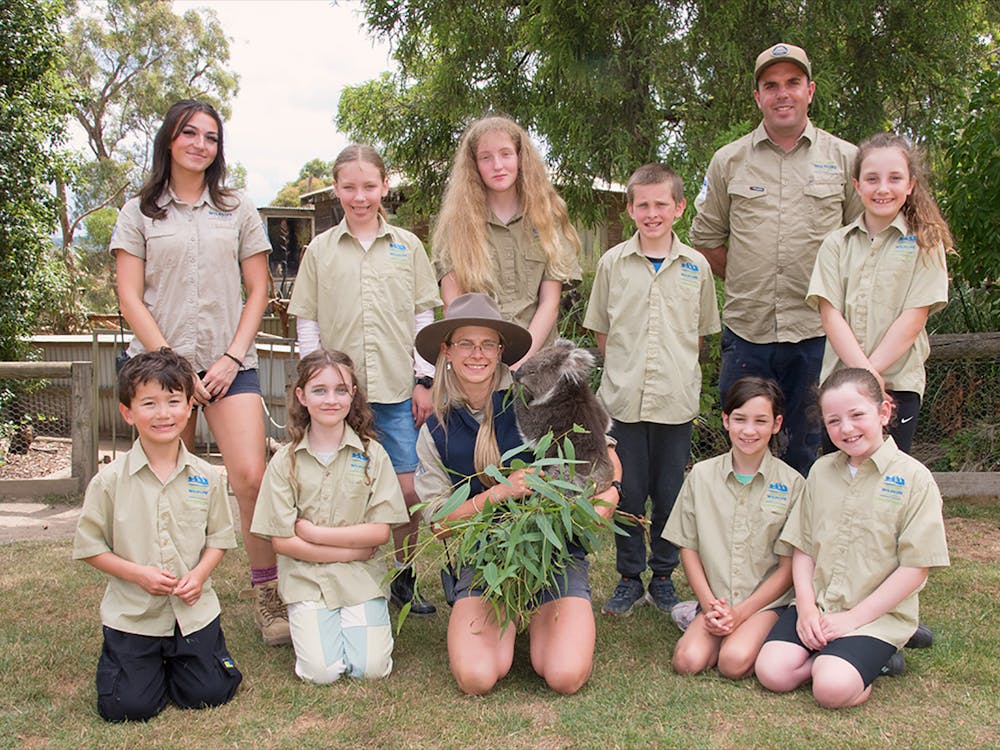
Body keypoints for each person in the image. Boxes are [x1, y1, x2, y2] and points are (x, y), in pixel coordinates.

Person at [112, 99, 288, 645]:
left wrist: (232, 356)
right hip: (161, 374)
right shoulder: (139, 211)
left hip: (229, 364)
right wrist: (173, 366)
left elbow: (258, 289)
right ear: (169, 140)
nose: (200, 144)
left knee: (252, 479)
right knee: (168, 485)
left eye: (210, 137)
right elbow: (128, 294)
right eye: (189, 133)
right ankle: (170, 595)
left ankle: (268, 593)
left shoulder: (236, 209)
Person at [412, 293, 622, 695]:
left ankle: (544, 613)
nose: (477, 354)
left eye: (487, 344)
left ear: (501, 350)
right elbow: (439, 524)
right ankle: (499, 613)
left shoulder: (539, 393)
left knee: (564, 675)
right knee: (477, 677)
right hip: (485, 558)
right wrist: (501, 493)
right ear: (447, 350)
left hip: (553, 550)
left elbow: (605, 452)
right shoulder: (435, 431)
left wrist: (609, 493)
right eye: (466, 344)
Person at [690, 43, 863, 475]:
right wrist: (751, 277)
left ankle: (800, 541)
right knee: (746, 446)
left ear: (810, 90)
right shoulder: (728, 161)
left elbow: (862, 244)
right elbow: (707, 239)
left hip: (816, 334)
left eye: (792, 83)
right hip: (748, 333)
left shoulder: (845, 159)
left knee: (810, 449)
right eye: (771, 86)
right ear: (758, 97)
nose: (782, 93)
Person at [288, 144, 442, 615]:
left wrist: (426, 379)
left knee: (407, 489)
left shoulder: (407, 247)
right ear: (336, 188)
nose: (360, 197)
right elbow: (308, 321)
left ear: (384, 187)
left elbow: (423, 315)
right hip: (340, 396)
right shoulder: (320, 250)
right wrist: (317, 384)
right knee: (343, 486)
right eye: (349, 187)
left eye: (369, 186)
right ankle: (346, 571)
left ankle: (403, 575)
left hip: (398, 390)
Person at [754, 368, 949, 708]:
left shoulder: (915, 479)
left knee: (830, 689)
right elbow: (802, 545)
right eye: (833, 421)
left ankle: (872, 659)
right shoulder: (821, 471)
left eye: (857, 415)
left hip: (873, 616)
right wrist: (807, 610)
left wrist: (851, 620)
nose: (846, 428)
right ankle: (843, 658)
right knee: (772, 673)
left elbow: (916, 568)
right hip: (819, 605)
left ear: (884, 412)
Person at [73, 349, 242, 722]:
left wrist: (198, 577)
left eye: (173, 401)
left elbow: (219, 539)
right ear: (128, 413)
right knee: (126, 707)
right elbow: (89, 547)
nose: (163, 414)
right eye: (149, 403)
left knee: (210, 694)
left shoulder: (208, 476)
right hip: (135, 615)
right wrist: (138, 575)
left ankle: (180, 663)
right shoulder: (109, 482)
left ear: (188, 408)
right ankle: (137, 665)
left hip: (193, 613)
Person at [584, 163, 721, 616]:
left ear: (679, 209)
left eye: (662, 203)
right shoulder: (612, 264)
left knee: (669, 494)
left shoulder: (696, 267)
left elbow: (698, 335)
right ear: (629, 209)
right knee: (626, 491)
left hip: (674, 403)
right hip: (623, 402)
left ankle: (663, 576)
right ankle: (628, 577)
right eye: (642, 204)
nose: (652, 212)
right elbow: (603, 333)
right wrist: (628, 370)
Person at [250, 350, 410, 684]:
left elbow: (380, 532)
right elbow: (282, 541)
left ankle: (341, 626)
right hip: (307, 578)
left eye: (340, 390)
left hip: (361, 577)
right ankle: (311, 623)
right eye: (319, 390)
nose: (331, 400)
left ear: (353, 395)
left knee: (371, 669)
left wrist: (312, 533)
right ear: (301, 396)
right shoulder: (285, 461)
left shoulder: (371, 455)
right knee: (320, 673)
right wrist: (351, 548)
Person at [807, 132, 952, 452]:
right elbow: (830, 315)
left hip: (897, 386)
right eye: (872, 179)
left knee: (887, 481)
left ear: (910, 184)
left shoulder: (925, 242)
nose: (883, 188)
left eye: (894, 178)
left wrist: (872, 381)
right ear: (857, 185)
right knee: (841, 477)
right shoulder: (836, 245)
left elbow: (914, 317)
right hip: (840, 386)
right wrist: (864, 380)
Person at [663, 377, 802, 678]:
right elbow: (688, 547)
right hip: (715, 600)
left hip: (764, 603)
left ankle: (764, 633)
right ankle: (701, 616)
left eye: (760, 421)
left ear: (776, 424)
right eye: (740, 419)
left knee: (733, 663)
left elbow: (788, 567)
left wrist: (740, 613)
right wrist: (709, 604)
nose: (749, 430)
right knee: (686, 662)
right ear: (726, 420)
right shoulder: (701, 476)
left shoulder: (792, 485)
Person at [432, 115, 582, 364]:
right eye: (486, 157)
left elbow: (550, 303)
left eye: (506, 154)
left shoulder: (547, 219)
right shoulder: (456, 226)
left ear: (520, 158)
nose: (497, 165)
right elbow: (454, 305)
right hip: (478, 363)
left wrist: (522, 362)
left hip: (538, 366)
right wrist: (486, 359)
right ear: (474, 165)